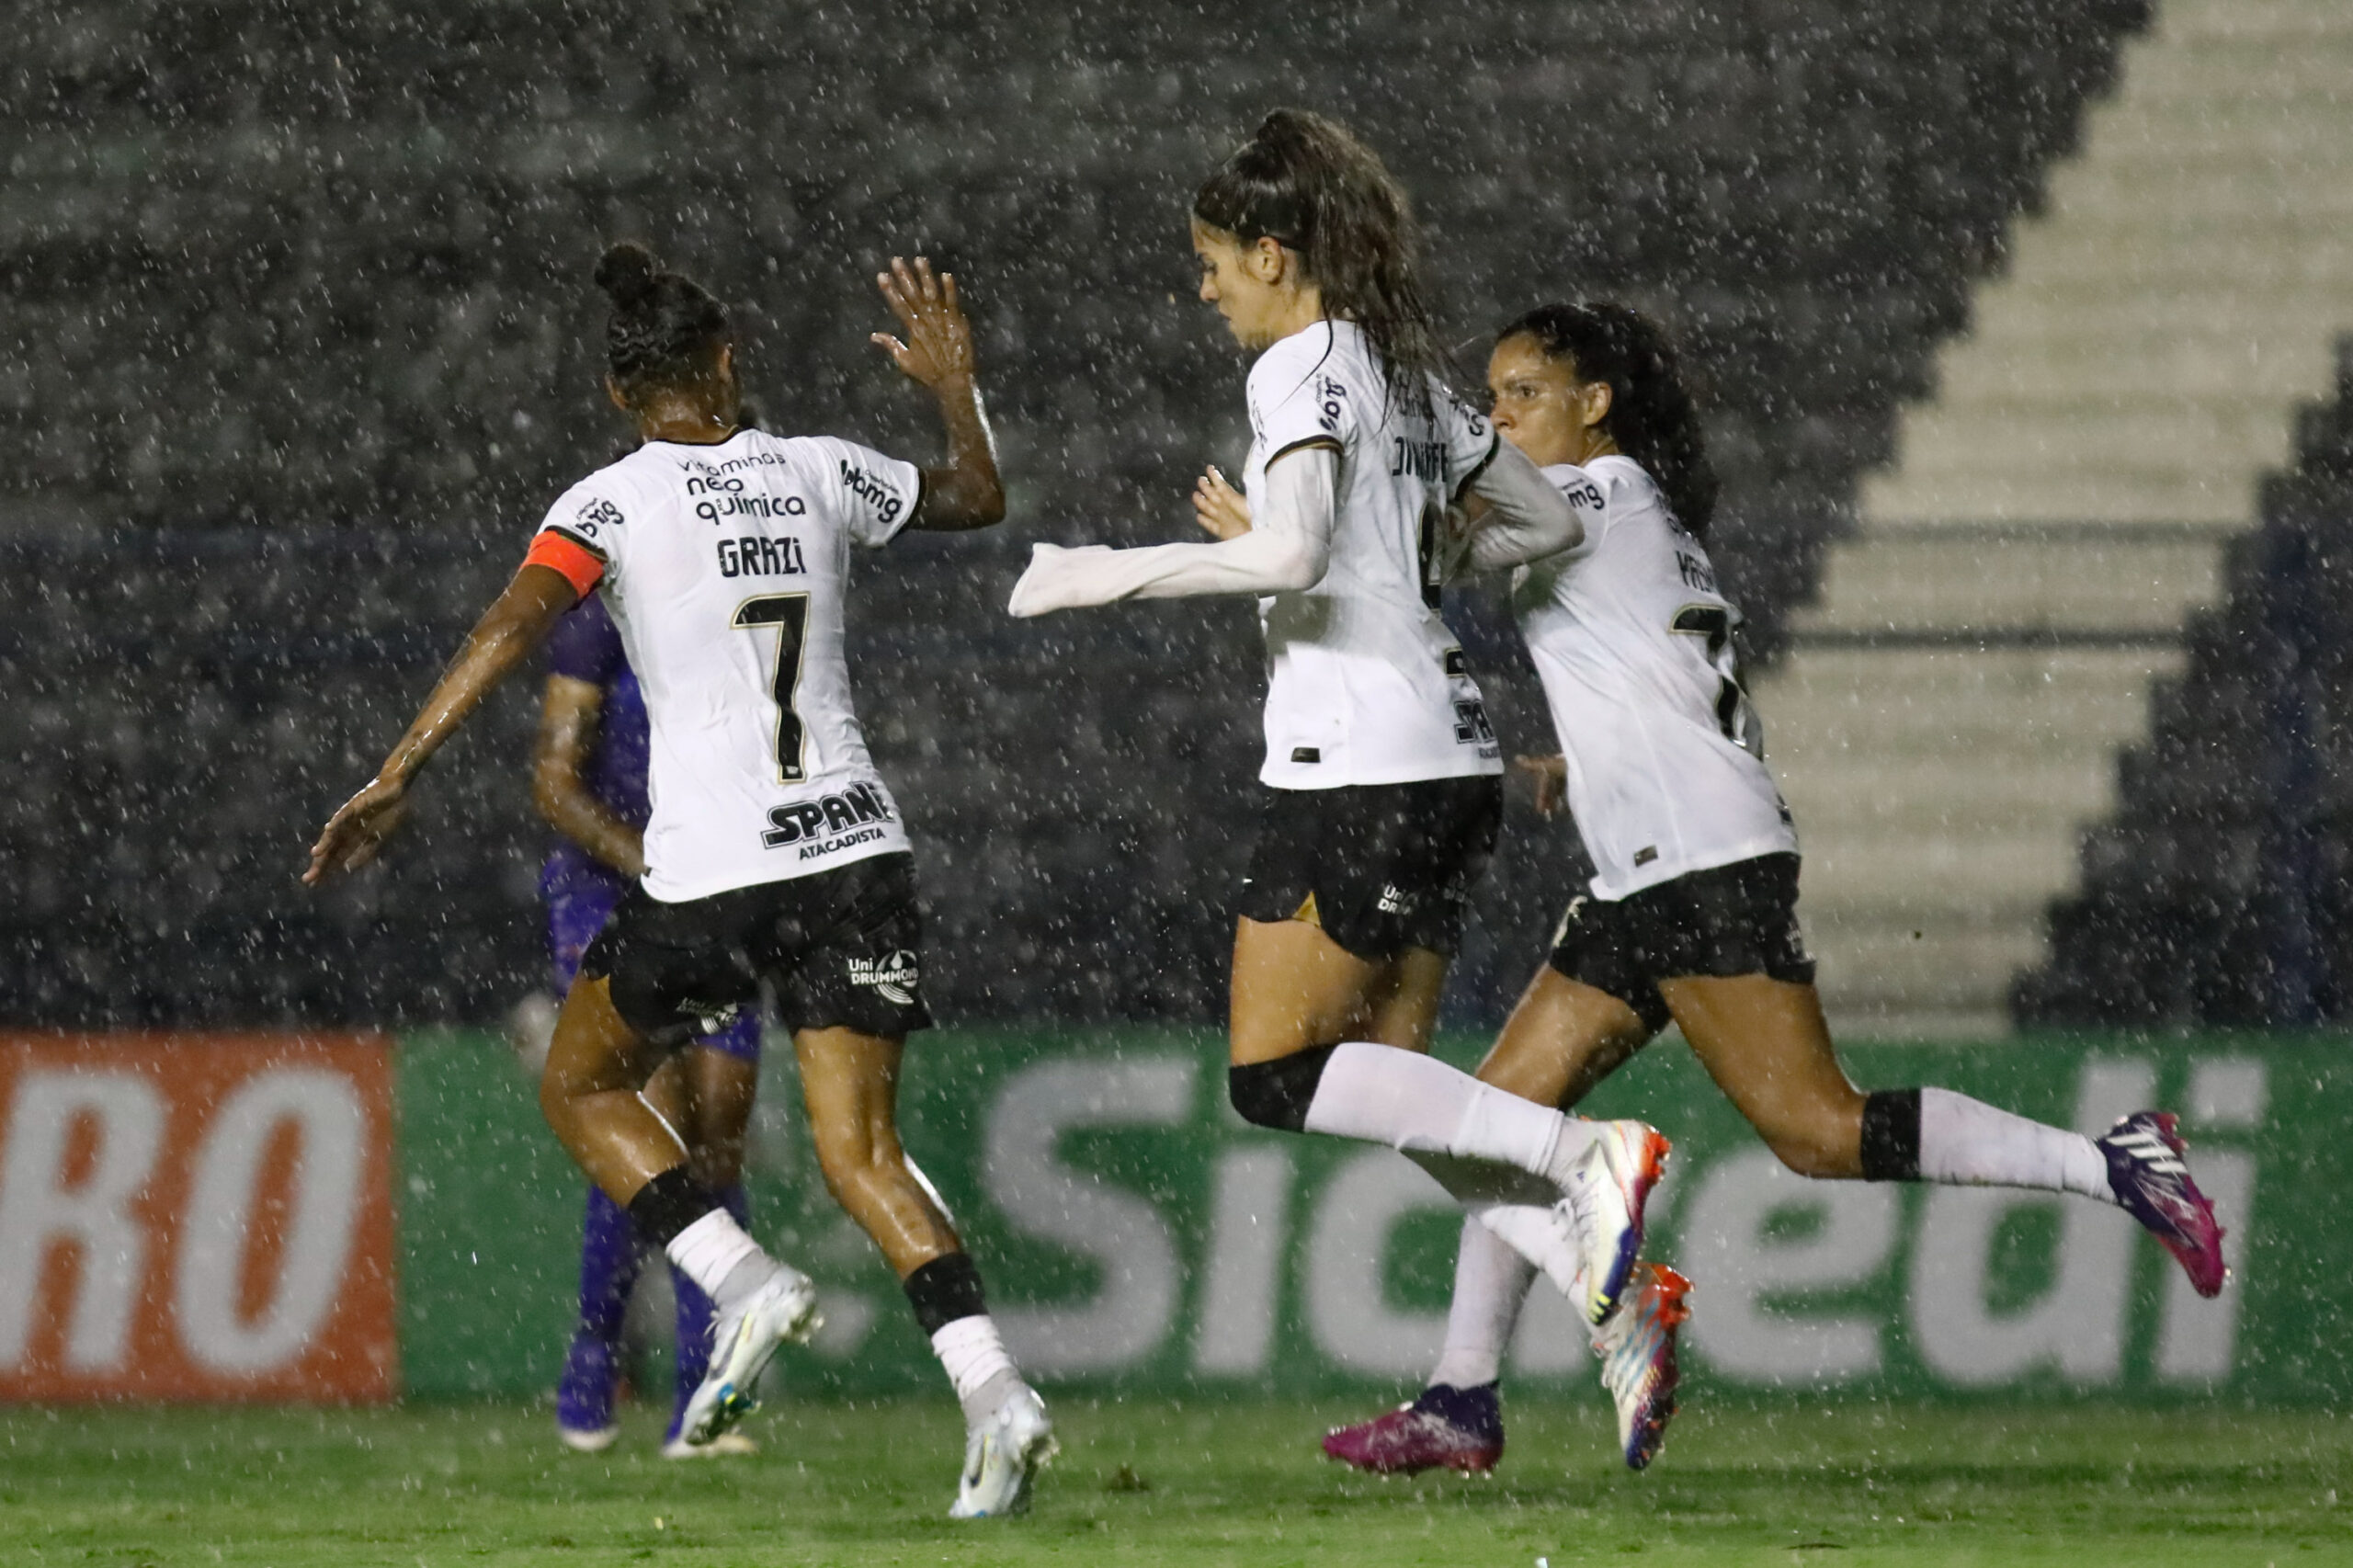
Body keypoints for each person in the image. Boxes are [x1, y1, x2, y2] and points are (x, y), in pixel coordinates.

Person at [1300, 301, 2228, 1474]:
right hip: (1652, 863)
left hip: (1697, 860)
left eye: (1519, 392)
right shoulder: (1627, 512)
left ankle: (2117, 1162)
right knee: (1491, 1125)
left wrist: (1325, 498)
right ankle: (1462, 1395)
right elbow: (1662, 674)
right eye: (1490, 393)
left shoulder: (1598, 494)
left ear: (1596, 406)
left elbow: (1450, 546)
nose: (1498, 414)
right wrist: (1574, 762)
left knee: (1816, 1130)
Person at [307, 244, 1056, 1519]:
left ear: (617, 395)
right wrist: (952, 383)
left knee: (582, 1078)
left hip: (717, 865)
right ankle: (996, 1394)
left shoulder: (607, 503)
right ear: (724, 364)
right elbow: (979, 492)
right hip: (859, 849)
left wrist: (399, 767)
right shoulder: (817, 467)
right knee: (865, 1151)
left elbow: (510, 623)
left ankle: (740, 1278)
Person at [1006, 110, 1671, 1348]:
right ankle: (1615, 1298)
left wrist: (1098, 573)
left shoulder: (1298, 367)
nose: (1203, 291)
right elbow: (1547, 527)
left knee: (1274, 1075)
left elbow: (1297, 547)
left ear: (1273, 254)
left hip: (1358, 763)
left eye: (1213, 263)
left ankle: (1586, 1153)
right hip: (1448, 757)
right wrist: (1416, 556)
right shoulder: (1401, 376)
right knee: (1402, 1097)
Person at [532, 590, 767, 1459]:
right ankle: (594, 1356)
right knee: (649, 1122)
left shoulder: (753, 610)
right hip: (613, 885)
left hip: (719, 887)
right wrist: (659, 867)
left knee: (717, 1139)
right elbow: (555, 785)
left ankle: (701, 1401)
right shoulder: (601, 620)